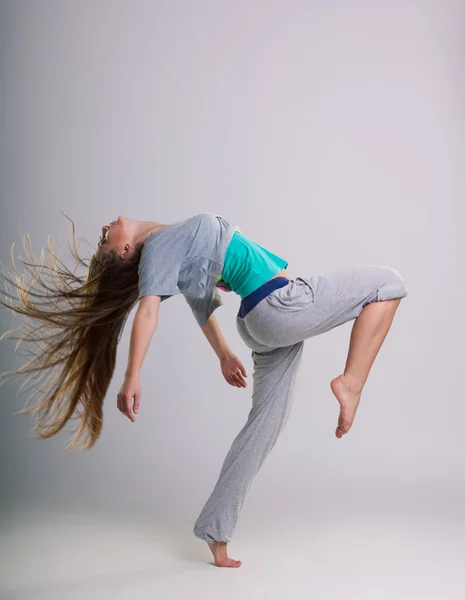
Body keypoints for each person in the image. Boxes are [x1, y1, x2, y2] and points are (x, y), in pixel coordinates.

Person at [0, 212, 408, 569]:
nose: (105, 229)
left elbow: (203, 306)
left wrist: (225, 355)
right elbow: (148, 309)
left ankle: (216, 531)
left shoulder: (176, 244)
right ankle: (350, 384)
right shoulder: (157, 248)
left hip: (260, 324)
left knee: (262, 429)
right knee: (388, 283)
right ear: (125, 251)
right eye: (107, 240)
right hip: (280, 304)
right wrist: (132, 374)